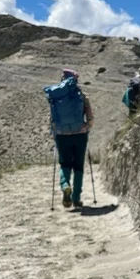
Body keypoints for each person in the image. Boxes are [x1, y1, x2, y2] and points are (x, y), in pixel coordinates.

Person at [45, 68, 93, 209]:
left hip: (62, 135)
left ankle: (65, 185)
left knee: (65, 164)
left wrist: (54, 133)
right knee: (78, 165)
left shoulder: (56, 96)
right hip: (80, 134)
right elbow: (90, 117)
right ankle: (76, 198)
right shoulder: (83, 96)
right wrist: (87, 128)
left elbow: (52, 118)